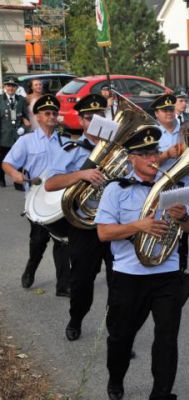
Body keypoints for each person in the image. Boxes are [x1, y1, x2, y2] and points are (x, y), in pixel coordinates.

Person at [95, 125, 189, 400]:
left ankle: (161, 393)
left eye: (155, 152)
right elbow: (104, 233)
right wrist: (138, 226)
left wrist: (184, 218)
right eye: (146, 154)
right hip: (129, 274)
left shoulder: (173, 187)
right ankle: (116, 380)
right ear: (132, 158)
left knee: (166, 338)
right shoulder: (116, 189)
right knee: (121, 336)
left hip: (166, 273)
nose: (154, 158)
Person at [44, 94, 113, 341]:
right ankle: (76, 318)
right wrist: (80, 174)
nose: (95, 121)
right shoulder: (72, 149)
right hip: (84, 224)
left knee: (120, 283)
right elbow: (50, 184)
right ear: (81, 122)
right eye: (88, 117)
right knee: (82, 280)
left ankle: (118, 333)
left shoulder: (119, 149)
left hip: (115, 224)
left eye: (100, 115)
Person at [1, 94, 70, 296]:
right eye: (46, 113)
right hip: (36, 201)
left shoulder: (65, 142)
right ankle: (30, 269)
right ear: (38, 117)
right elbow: (7, 163)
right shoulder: (26, 141)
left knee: (62, 241)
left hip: (59, 201)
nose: (51, 116)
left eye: (54, 113)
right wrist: (15, 174)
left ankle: (63, 285)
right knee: (39, 241)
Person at [153, 94, 189, 271]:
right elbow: (146, 162)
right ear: (156, 113)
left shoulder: (185, 128)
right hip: (162, 186)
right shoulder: (152, 133)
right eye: (164, 110)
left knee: (183, 229)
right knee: (163, 227)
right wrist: (166, 155)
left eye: (170, 109)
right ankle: (160, 263)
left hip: (185, 184)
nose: (168, 113)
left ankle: (180, 269)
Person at [1, 77, 30, 188]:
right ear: (5, 87)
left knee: (19, 159)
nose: (11, 88)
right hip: (3, 135)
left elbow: (25, 117)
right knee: (2, 159)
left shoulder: (21, 100)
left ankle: (18, 182)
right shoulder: (0, 100)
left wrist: (23, 128)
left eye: (13, 86)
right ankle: (1, 179)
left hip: (18, 136)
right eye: (8, 85)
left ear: (16, 88)